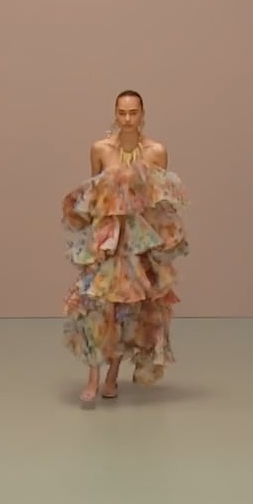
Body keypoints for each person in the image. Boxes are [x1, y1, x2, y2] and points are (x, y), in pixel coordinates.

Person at [62, 91, 190, 407]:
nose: (128, 119)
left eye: (133, 113)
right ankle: (92, 378)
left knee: (127, 312)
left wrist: (158, 248)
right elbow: (95, 196)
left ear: (143, 114)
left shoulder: (156, 152)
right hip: (107, 241)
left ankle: (111, 375)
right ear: (115, 114)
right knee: (94, 305)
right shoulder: (100, 149)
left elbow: (159, 203)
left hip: (137, 244)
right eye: (122, 113)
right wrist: (94, 240)